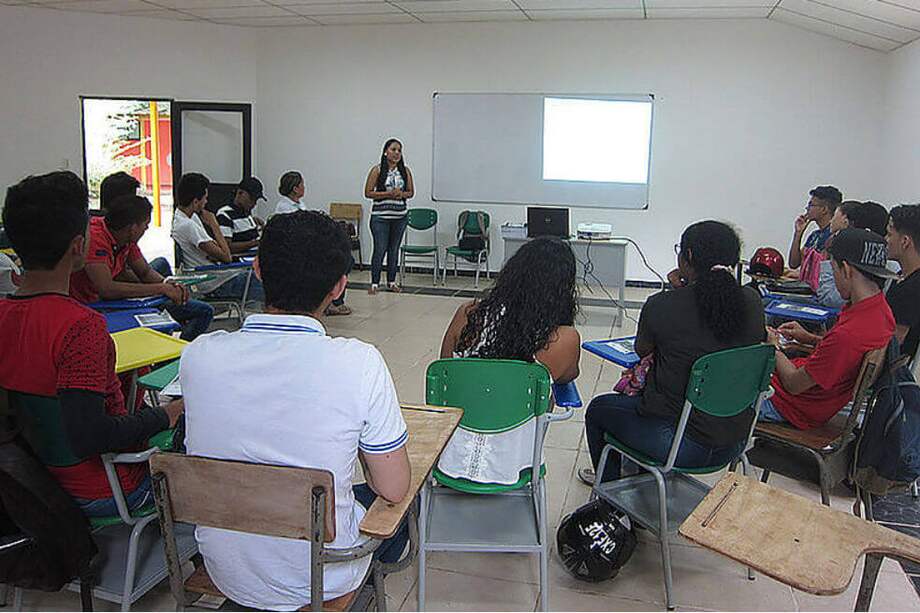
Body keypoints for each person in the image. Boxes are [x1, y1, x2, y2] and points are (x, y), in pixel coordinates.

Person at [182, 210, 410, 610]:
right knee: (407, 501)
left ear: (257, 270)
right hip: (323, 574)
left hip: (227, 569)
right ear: (340, 286)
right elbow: (392, 488)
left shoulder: (199, 355)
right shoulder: (358, 362)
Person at [0, 171, 183, 517]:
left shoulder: (5, 314)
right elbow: (91, 436)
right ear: (76, 246)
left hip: (30, 483)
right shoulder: (81, 328)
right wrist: (167, 413)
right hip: (109, 489)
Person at [579, 221, 766, 485]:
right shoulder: (752, 302)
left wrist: (674, 292)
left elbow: (643, 349)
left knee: (599, 409)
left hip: (678, 442)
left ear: (687, 256)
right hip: (736, 439)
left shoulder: (662, 305)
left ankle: (610, 499)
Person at [437, 237, 581, 484]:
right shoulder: (564, 338)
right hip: (516, 462)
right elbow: (569, 376)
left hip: (451, 455)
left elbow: (446, 370)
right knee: (546, 391)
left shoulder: (468, 314)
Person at [766, 228, 896, 429]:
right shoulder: (880, 311)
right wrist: (810, 338)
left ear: (846, 269)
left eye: (833, 269)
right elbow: (845, 354)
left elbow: (793, 384)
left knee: (711, 393)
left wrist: (772, 347)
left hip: (790, 406)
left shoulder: (849, 334)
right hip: (810, 398)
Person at [68, 194, 214, 341]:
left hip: (111, 298)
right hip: (93, 305)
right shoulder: (96, 238)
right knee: (168, 316)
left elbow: (144, 271)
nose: (146, 229)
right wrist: (161, 288)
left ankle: (177, 352)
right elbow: (107, 289)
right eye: (145, 224)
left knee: (199, 308)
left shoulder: (126, 238)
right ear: (132, 228)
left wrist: (169, 284)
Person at [171, 173, 264, 304]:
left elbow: (216, 250)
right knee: (267, 278)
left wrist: (216, 251)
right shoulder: (188, 225)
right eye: (205, 198)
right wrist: (214, 225)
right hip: (214, 283)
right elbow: (227, 256)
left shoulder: (186, 217)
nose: (206, 202)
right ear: (195, 201)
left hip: (216, 274)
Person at [273, 171, 351, 315]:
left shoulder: (301, 204)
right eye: (302, 184)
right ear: (295, 188)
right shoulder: (283, 207)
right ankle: (329, 302)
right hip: (295, 249)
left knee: (343, 259)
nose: (304, 187)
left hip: (307, 245)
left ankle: (333, 300)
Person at [815, 201, 889, 309]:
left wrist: (827, 258)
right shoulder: (880, 255)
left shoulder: (851, 256)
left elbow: (830, 298)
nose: (831, 220)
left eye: (835, 215)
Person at [364, 138, 414, 295]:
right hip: (380, 217)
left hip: (399, 216)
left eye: (399, 150)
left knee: (394, 249)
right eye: (393, 149)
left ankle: (392, 281)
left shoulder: (405, 171)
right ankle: (374, 283)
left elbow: (411, 192)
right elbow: (368, 192)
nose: (397, 153)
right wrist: (388, 194)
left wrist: (401, 194)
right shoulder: (377, 170)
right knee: (380, 249)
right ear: (386, 152)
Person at [788, 185, 842, 291]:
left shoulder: (834, 237)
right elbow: (794, 264)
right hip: (806, 289)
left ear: (824, 209)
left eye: (811, 205)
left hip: (819, 292)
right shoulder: (815, 235)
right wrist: (798, 234)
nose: (807, 209)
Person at [885, 204, 920, 360]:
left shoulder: (912, 289)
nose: (886, 240)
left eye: (889, 234)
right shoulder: (901, 277)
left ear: (905, 241)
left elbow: (893, 345)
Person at [217, 177, 265, 256]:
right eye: (252, 199)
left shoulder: (247, 214)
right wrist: (256, 243)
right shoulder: (224, 214)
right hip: (242, 261)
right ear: (240, 193)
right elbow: (227, 246)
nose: (254, 204)